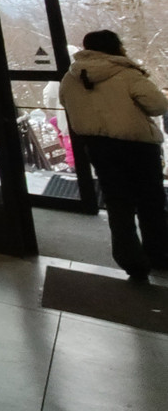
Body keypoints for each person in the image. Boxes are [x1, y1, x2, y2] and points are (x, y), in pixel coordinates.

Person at [59, 30, 168, 280]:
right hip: (138, 146)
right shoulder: (126, 73)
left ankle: (131, 261)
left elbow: (67, 104)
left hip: (98, 146)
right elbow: (158, 105)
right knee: (150, 201)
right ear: (115, 46)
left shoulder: (71, 77)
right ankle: (158, 254)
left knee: (118, 203)